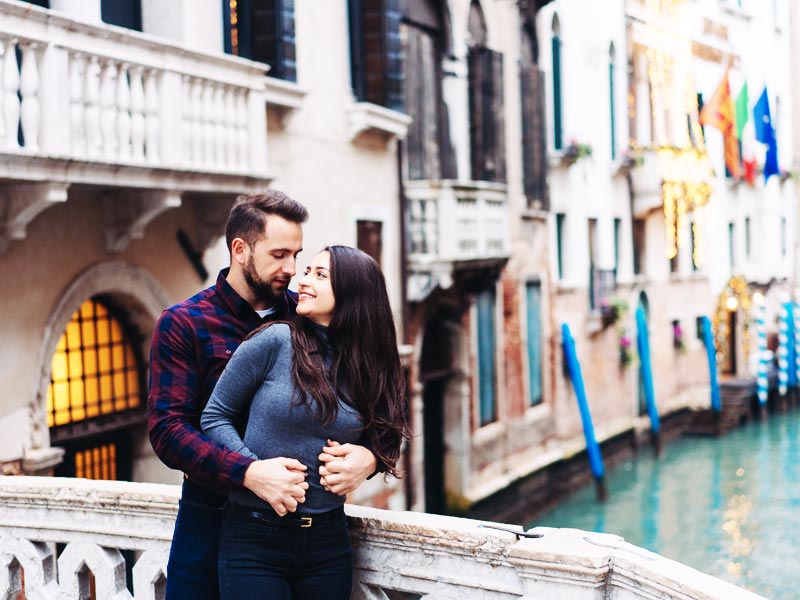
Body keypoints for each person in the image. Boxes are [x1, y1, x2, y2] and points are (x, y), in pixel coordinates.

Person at [147, 193, 379, 600]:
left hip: (308, 534)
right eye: (279, 255)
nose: (291, 270)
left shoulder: (307, 313)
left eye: (297, 255)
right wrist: (248, 473)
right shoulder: (183, 323)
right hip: (210, 519)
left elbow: (375, 401)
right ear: (240, 250)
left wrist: (370, 458)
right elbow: (169, 431)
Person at [201, 245, 410, 600]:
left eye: (320, 275)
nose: (304, 280)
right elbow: (214, 417)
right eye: (308, 271)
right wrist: (255, 471)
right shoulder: (274, 341)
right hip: (255, 538)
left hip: (329, 542)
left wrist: (370, 460)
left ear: (352, 292)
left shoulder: (370, 363)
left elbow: (390, 435)